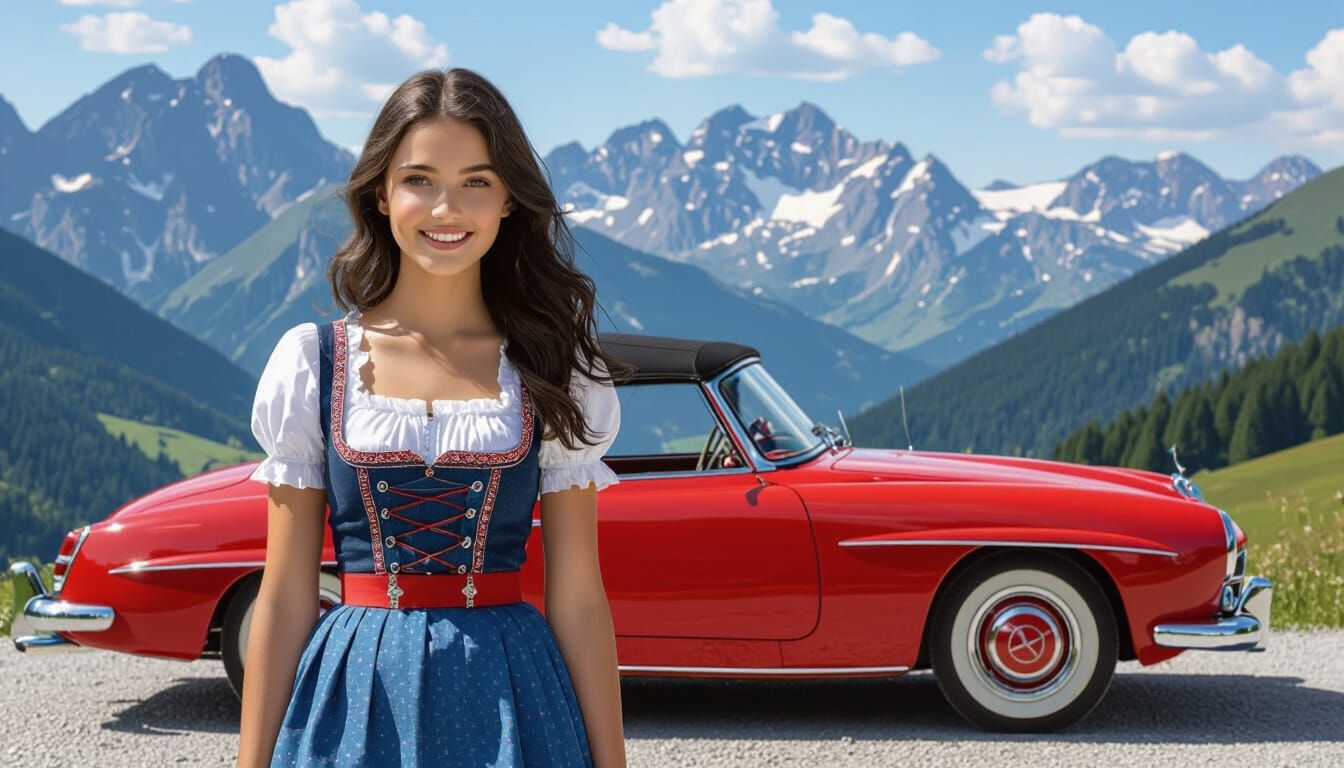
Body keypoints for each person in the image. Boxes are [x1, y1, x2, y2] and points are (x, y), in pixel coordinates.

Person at [235, 67, 633, 767]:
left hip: (511, 692)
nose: (446, 209)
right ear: (382, 193)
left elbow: (578, 597)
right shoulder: (313, 363)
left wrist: (612, 762)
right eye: (420, 179)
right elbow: (285, 598)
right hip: (354, 694)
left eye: (476, 181)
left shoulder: (553, 367)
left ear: (509, 200)